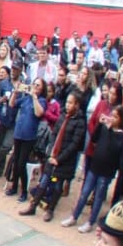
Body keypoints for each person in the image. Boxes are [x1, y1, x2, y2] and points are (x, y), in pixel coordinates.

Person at [63, 105, 123, 233]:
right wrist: (100, 125)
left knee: (98, 197)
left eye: (116, 117)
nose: (112, 118)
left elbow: (114, 149)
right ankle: (74, 216)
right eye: (112, 115)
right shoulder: (105, 128)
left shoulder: (121, 136)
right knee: (84, 193)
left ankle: (90, 222)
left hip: (106, 172)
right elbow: (94, 139)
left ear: (121, 119)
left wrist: (110, 130)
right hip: (94, 167)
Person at [21, 94, 87, 222]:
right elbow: (54, 134)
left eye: (71, 103)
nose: (67, 105)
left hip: (64, 161)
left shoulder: (79, 122)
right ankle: (33, 206)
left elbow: (74, 144)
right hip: (53, 156)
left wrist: (59, 159)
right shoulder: (62, 116)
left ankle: (50, 209)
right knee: (44, 181)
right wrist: (51, 152)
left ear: (77, 105)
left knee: (57, 185)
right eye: (67, 102)